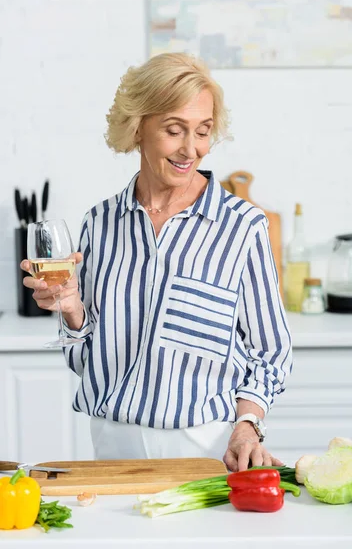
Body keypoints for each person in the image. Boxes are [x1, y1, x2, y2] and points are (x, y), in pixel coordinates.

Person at [21, 52, 292, 472]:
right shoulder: (100, 223)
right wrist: (72, 311)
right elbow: (87, 362)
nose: (191, 149)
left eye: (202, 132)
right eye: (174, 130)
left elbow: (271, 352)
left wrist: (248, 424)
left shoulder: (242, 227)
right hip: (111, 443)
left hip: (204, 447)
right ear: (138, 128)